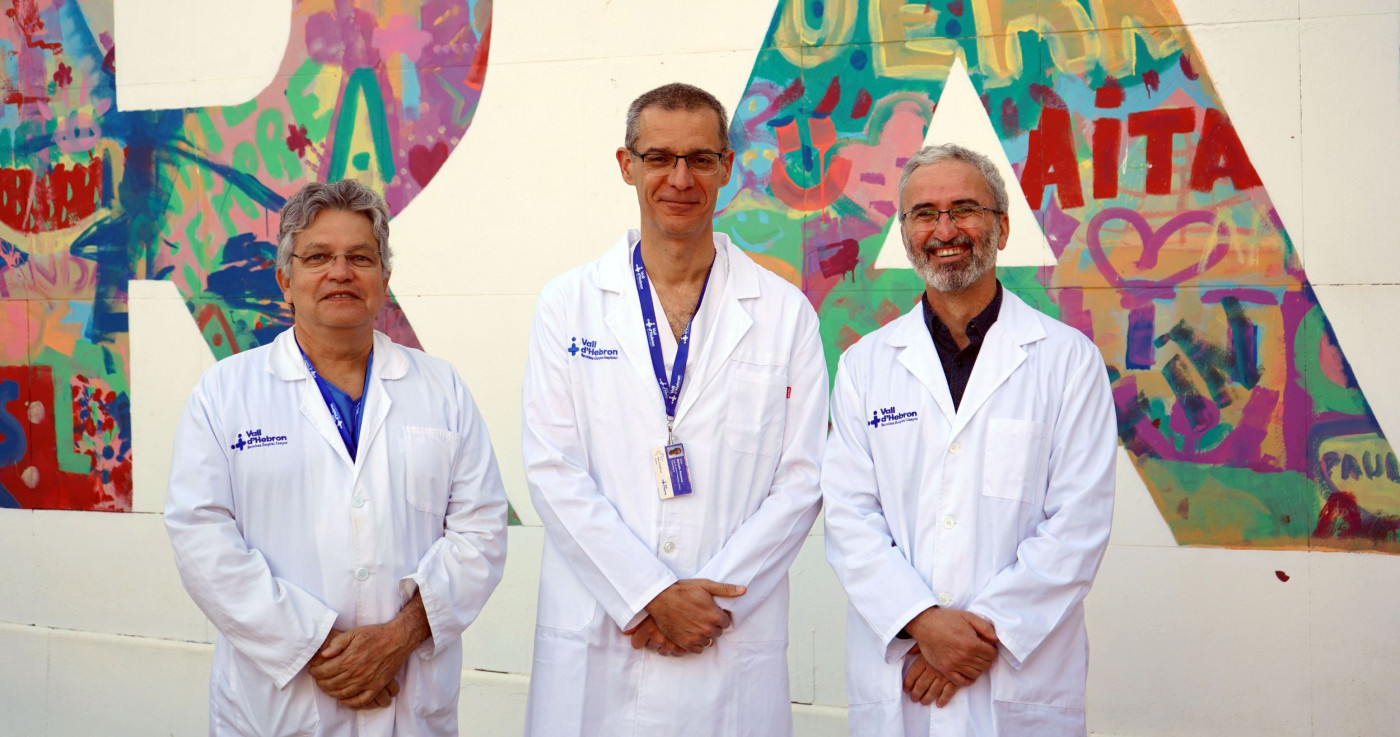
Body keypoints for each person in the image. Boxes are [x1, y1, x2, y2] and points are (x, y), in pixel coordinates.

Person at [520, 82, 828, 736]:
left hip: (725, 637)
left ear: (727, 166)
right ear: (626, 165)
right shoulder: (567, 304)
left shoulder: (785, 314)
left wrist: (707, 601)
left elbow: (802, 481)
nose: (680, 179)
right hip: (602, 633)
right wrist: (649, 593)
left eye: (700, 159)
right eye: (659, 157)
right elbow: (552, 469)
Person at [165, 179, 508, 736]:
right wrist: (317, 646)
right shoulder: (224, 394)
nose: (340, 272)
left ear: (384, 280)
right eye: (318, 257)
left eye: (360, 258)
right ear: (286, 280)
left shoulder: (441, 389)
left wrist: (398, 639)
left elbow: (482, 532)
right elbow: (201, 538)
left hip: (409, 702)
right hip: (278, 709)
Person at [822, 144, 1117, 736]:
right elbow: (850, 517)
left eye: (964, 209)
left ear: (1002, 227)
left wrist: (976, 637)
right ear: (905, 234)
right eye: (924, 214)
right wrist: (923, 623)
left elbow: (1078, 523)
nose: (944, 230)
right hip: (906, 666)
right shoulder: (864, 366)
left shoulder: (1069, 361)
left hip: (1014, 672)